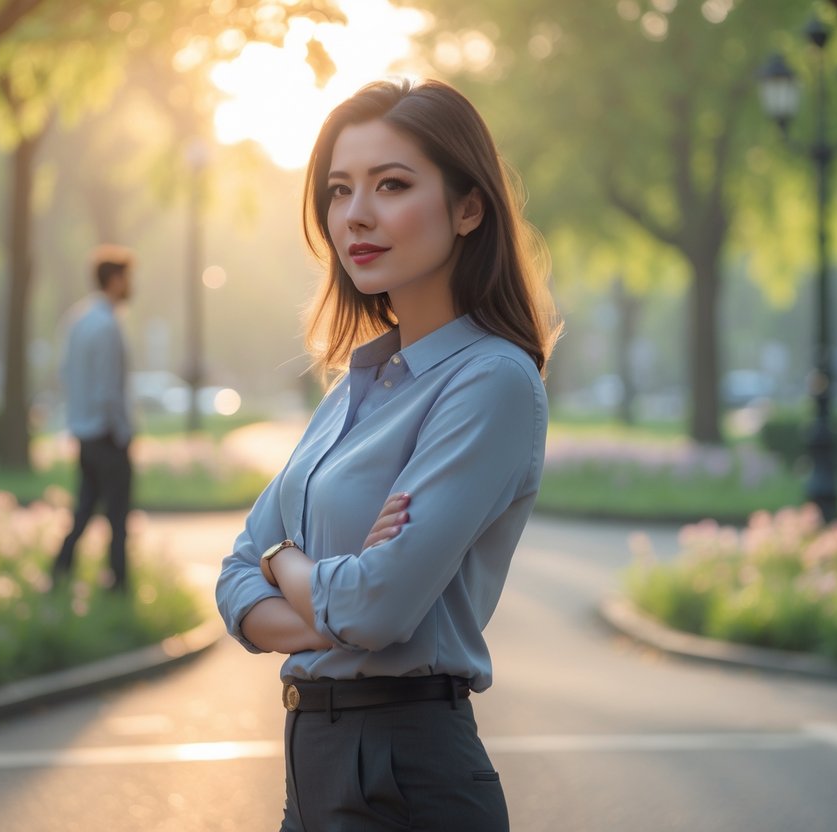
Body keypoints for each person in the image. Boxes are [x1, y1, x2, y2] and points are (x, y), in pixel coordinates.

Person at [216, 78, 560, 831]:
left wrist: (289, 564)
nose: (356, 215)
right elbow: (234, 581)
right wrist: (331, 602)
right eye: (339, 191)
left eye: (391, 184)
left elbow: (372, 603)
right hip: (311, 766)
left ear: (469, 208)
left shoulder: (491, 381)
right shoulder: (353, 388)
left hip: (404, 774)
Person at [52, 244, 135, 594]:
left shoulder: (78, 319)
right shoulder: (107, 326)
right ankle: (118, 585)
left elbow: (66, 373)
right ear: (115, 280)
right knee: (117, 517)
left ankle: (59, 570)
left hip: (84, 434)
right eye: (128, 278)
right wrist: (124, 432)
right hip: (106, 436)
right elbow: (108, 391)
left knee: (84, 509)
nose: (131, 285)